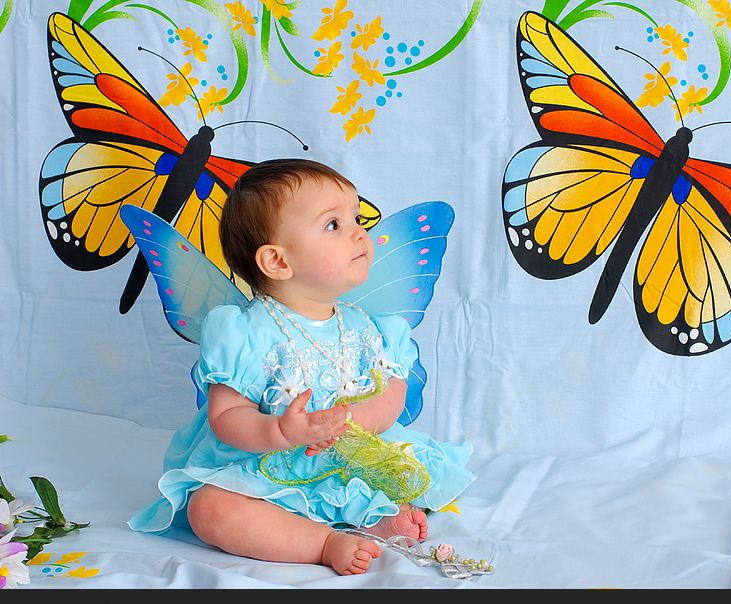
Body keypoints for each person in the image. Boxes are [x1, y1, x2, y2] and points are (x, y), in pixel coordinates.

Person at [129, 159, 474, 575]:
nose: (358, 231)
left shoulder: (370, 327)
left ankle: (377, 512)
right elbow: (226, 415)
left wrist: (353, 422)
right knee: (210, 510)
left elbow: (392, 393)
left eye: (356, 217)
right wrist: (280, 431)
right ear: (277, 261)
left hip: (351, 458)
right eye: (333, 224)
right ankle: (323, 541)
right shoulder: (243, 332)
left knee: (404, 468)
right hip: (263, 468)